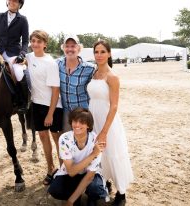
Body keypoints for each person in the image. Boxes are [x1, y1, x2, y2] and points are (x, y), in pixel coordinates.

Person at [87, 40, 134, 206]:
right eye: (96, 52)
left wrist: (104, 131)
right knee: (99, 155)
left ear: (109, 54)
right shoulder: (93, 73)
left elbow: (114, 106)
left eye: (102, 52)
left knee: (113, 153)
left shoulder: (112, 77)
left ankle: (121, 193)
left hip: (108, 122)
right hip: (93, 118)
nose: (99, 55)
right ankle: (105, 183)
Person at [48, 107, 108, 206]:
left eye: (82, 122)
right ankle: (77, 195)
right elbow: (71, 172)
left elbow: (89, 176)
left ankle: (89, 197)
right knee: (55, 190)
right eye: (75, 121)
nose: (77, 125)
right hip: (71, 173)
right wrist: (93, 154)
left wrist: (70, 201)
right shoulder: (65, 138)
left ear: (88, 125)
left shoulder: (95, 140)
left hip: (89, 174)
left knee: (96, 190)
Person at [26, 30, 63, 185]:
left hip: (52, 106)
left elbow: (55, 90)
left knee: (57, 139)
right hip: (36, 104)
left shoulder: (50, 63)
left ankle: (63, 170)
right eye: (33, 41)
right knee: (43, 137)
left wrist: (50, 114)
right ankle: (50, 168)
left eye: (39, 41)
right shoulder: (28, 57)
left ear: (45, 44)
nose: (35, 44)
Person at [0, 0, 29, 113]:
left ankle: (23, 101)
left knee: (18, 72)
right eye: (10, 0)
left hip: (13, 53)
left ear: (20, 4)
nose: (12, 2)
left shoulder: (22, 20)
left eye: (15, 1)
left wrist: (22, 54)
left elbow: (26, 41)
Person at [57, 35, 95, 132]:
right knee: (68, 142)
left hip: (83, 112)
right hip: (66, 113)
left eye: (73, 46)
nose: (70, 49)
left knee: (85, 142)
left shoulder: (90, 68)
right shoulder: (57, 64)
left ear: (79, 48)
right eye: (67, 46)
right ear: (63, 48)